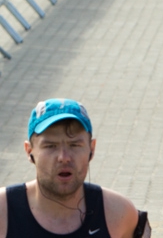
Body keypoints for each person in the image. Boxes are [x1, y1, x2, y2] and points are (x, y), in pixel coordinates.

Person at [0, 99, 145, 237]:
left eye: (74, 145)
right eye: (50, 146)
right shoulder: (3, 213)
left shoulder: (118, 214)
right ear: (29, 151)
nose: (64, 157)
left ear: (92, 149)